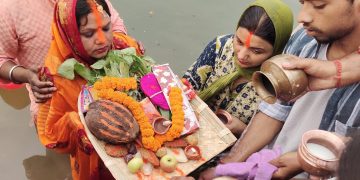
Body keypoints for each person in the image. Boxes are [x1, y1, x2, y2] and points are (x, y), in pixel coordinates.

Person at [200, 0, 360, 179]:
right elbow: (274, 110)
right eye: (302, 2)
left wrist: (303, 162)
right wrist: (230, 164)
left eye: (319, 5)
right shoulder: (304, 37)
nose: (302, 17)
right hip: (262, 165)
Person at [35, 0, 143, 179]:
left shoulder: (122, 47)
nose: (102, 40)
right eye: (88, 33)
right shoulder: (56, 76)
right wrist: (80, 123)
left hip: (137, 150)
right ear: (70, 35)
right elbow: (51, 136)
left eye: (106, 28)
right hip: (93, 160)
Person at [0, 0, 127, 123]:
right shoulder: (8, 8)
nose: (100, 39)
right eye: (88, 33)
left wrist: (127, 46)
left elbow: (114, 25)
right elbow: (2, 59)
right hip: (53, 102)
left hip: (110, 86)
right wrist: (26, 75)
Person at [183, 0, 293, 136]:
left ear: (277, 49)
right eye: (239, 41)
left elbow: (274, 138)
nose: (241, 55)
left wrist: (242, 130)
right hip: (189, 128)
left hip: (233, 150)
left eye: (256, 51)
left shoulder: (279, 82)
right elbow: (187, 86)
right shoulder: (220, 46)